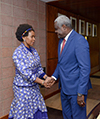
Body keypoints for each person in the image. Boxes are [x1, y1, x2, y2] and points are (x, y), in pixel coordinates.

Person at [8, 24, 53, 119]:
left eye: (34, 37)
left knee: (36, 110)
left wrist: (46, 77)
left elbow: (39, 68)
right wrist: (43, 82)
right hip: (23, 89)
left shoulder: (34, 51)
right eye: (32, 36)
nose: (34, 39)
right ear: (24, 37)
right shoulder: (18, 53)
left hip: (34, 88)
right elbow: (27, 75)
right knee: (24, 113)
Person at [51, 15, 92, 119]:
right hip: (64, 88)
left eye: (57, 29)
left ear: (64, 27)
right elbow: (61, 63)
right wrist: (54, 77)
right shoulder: (61, 41)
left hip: (76, 89)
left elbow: (85, 68)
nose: (55, 31)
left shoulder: (79, 40)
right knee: (67, 116)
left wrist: (80, 93)